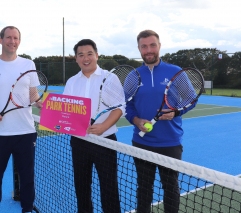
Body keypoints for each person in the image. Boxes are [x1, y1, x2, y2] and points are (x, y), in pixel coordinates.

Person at [125, 30, 193, 213]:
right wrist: (136, 120)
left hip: (170, 143)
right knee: (143, 189)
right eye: (144, 46)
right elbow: (126, 105)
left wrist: (176, 112)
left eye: (152, 45)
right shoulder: (133, 76)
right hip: (141, 143)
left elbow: (190, 99)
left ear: (159, 46)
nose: (149, 50)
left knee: (171, 189)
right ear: (139, 49)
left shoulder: (175, 72)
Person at [0, 26, 41, 213]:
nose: (12, 41)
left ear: (19, 41)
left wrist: (39, 103)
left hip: (26, 132)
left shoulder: (29, 64)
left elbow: (33, 94)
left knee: (27, 177)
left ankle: (27, 209)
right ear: (0, 40)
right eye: (8, 37)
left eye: (16, 38)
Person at [63, 39, 124, 213]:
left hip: (105, 142)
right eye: (81, 55)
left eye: (89, 54)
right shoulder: (72, 82)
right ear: (76, 58)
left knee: (109, 190)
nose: (86, 58)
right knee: (81, 189)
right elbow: (67, 110)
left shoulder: (110, 78)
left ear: (97, 56)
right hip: (79, 143)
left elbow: (119, 107)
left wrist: (104, 126)